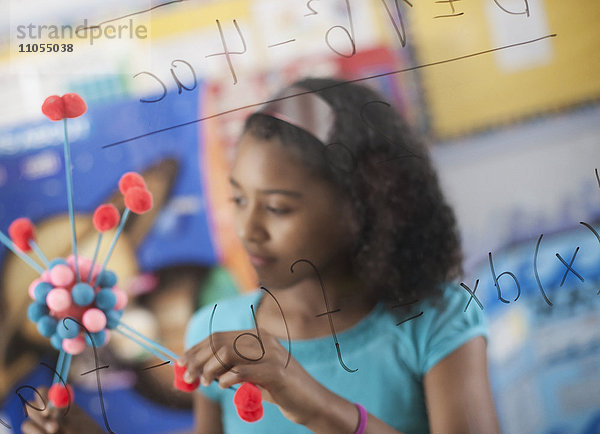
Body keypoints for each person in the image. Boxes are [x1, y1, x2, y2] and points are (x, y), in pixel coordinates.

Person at [179, 78, 501, 433]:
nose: (247, 229)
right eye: (239, 200)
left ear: (365, 204)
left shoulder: (436, 321)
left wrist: (314, 405)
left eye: (277, 208)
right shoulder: (214, 332)